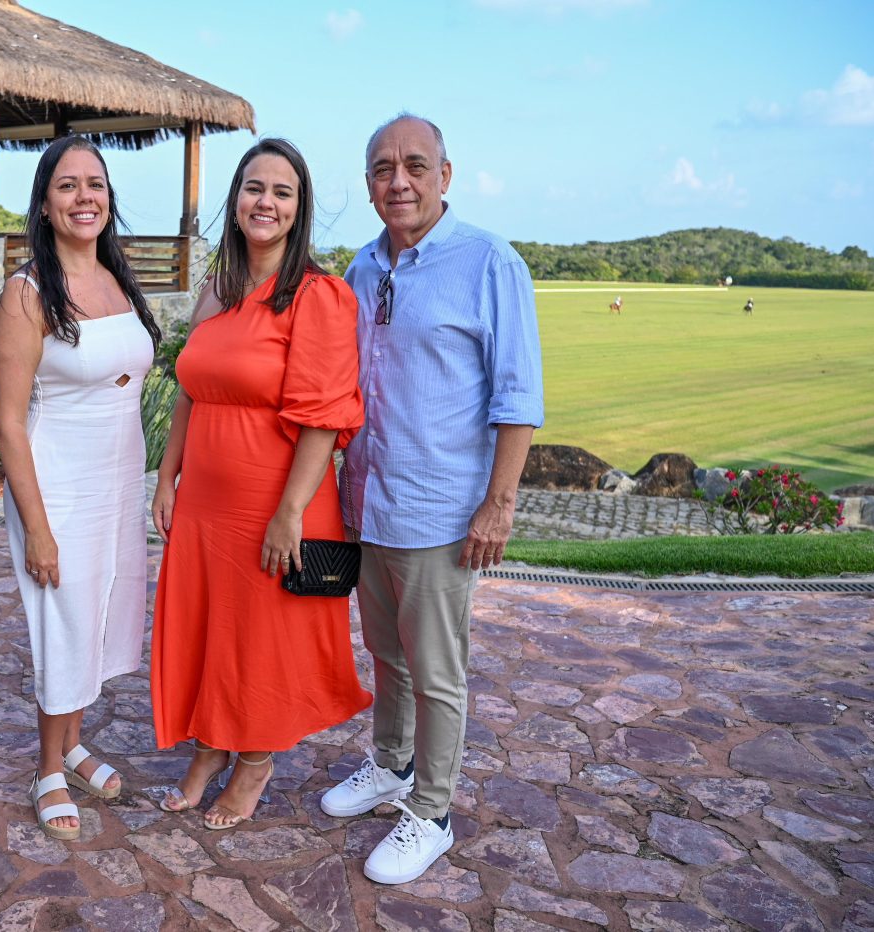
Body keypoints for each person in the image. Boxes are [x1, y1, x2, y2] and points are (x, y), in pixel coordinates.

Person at [322, 114, 544, 885]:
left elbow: (518, 396)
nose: (399, 181)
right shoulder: (360, 267)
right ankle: (390, 764)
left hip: (442, 511)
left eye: (416, 165)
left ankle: (434, 810)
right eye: (383, 168)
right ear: (369, 184)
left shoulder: (489, 263)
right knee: (388, 656)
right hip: (370, 503)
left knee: (438, 668)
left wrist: (500, 504)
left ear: (445, 175)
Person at [151, 138, 371, 830]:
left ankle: (255, 760)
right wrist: (166, 475)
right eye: (254, 188)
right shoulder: (219, 287)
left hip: (277, 496)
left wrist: (291, 513)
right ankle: (213, 744)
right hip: (208, 498)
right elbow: (191, 388)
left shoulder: (317, 296)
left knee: (263, 635)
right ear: (235, 199)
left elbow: (325, 420)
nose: (265, 202)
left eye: (282, 191)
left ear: (299, 208)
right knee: (214, 623)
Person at [0, 135, 160, 841]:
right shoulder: (26, 295)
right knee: (64, 624)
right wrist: (37, 527)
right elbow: (9, 421)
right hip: (58, 482)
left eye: (96, 183)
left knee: (100, 616)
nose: (84, 197)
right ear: (44, 203)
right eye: (67, 186)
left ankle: (75, 744)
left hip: (117, 476)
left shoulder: (120, 279)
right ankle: (47, 767)